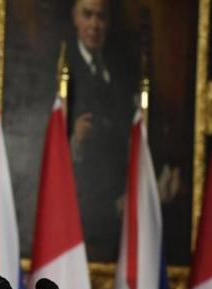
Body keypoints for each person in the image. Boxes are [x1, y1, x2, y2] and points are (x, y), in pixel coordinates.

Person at [66, 0, 135, 262]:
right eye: (87, 15)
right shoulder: (62, 65)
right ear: (75, 17)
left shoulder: (120, 71)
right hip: (80, 205)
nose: (94, 25)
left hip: (117, 204)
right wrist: (74, 140)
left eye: (101, 17)